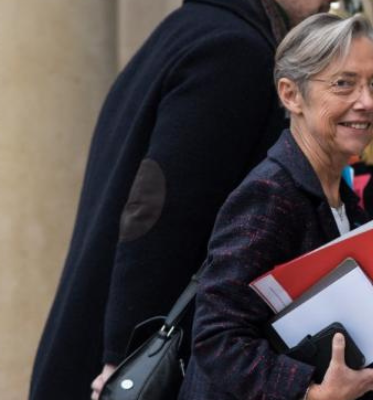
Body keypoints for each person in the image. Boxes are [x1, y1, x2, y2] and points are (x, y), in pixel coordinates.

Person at [28, 1, 332, 399]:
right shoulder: (232, 51)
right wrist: (127, 356)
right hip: (142, 368)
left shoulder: (190, 30)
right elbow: (161, 214)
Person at [179, 13, 373, 400]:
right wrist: (312, 395)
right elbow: (216, 338)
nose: (367, 102)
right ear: (291, 94)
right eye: (344, 84)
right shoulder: (270, 194)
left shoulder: (345, 202)